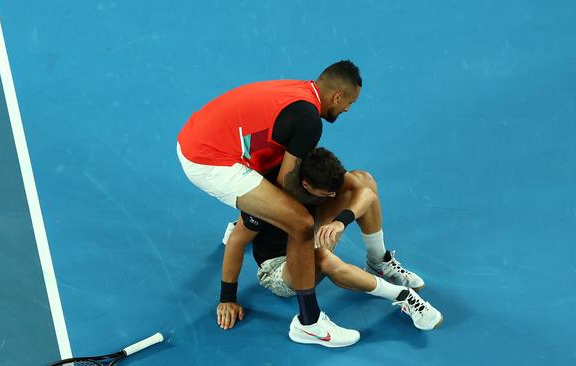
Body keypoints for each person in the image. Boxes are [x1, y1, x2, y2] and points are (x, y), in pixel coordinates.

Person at [177, 61, 362, 347]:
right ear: (338, 96)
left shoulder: (301, 92)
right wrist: (324, 201)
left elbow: (284, 170)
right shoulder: (309, 120)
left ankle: (248, 221)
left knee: (279, 205)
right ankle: (309, 324)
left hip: (195, 135)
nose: (348, 109)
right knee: (300, 222)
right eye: (349, 102)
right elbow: (288, 182)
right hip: (208, 159)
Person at [220, 147, 443, 337]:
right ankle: (403, 296)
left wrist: (340, 222)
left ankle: (378, 262)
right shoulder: (266, 197)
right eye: (326, 194)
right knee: (322, 257)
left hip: (309, 232)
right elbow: (236, 242)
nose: (332, 196)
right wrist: (227, 299)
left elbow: (366, 193)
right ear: (306, 185)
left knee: (363, 181)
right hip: (279, 267)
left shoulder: (313, 167)